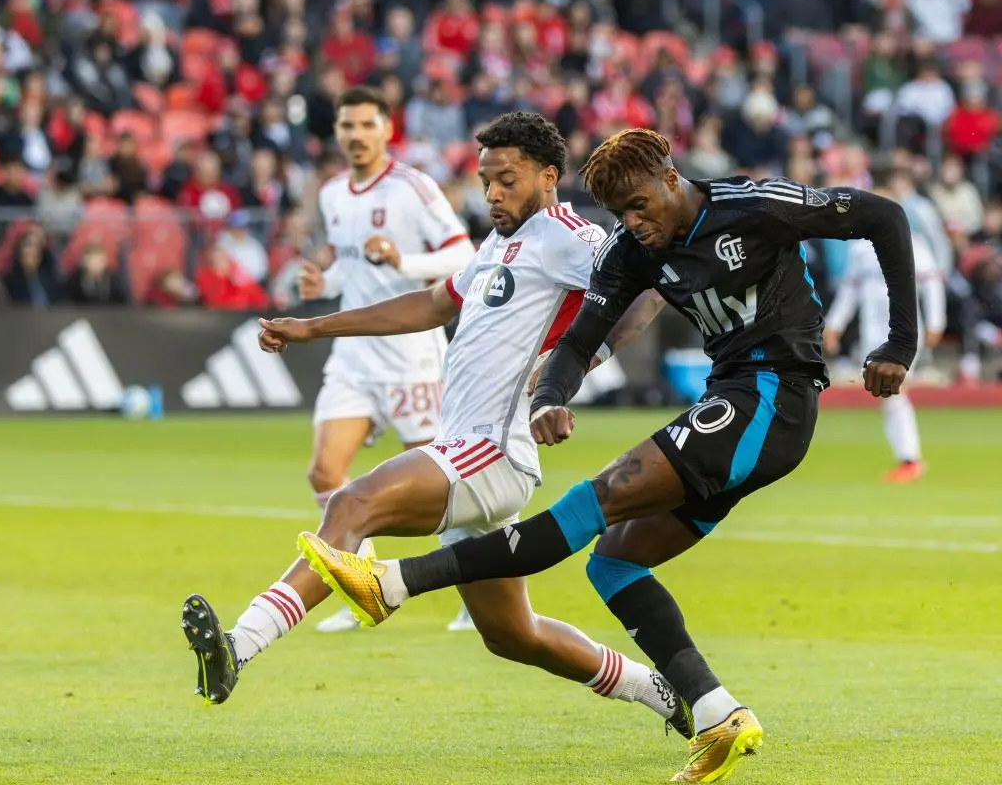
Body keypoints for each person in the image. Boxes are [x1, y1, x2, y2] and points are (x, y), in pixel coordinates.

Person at [299, 128, 918, 783]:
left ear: (670, 179)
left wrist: (899, 343)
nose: (633, 223)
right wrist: (551, 399)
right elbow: (579, 340)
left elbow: (885, 216)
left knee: (596, 500)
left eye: (639, 205)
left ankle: (394, 583)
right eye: (620, 213)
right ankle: (718, 714)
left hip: (773, 398)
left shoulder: (754, 204)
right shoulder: (630, 252)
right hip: (735, 404)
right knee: (616, 561)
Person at [180, 113, 689, 741]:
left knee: (352, 501)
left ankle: (239, 644)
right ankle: (664, 693)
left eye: (507, 179)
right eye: (485, 181)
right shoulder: (498, 246)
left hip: (491, 451)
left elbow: (646, 290)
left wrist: (576, 369)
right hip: (465, 452)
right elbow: (428, 304)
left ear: (548, 175)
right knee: (512, 635)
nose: (493, 193)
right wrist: (315, 327)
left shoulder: (569, 234)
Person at [291, 86, 481, 634]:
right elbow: (352, 269)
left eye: (366, 125)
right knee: (325, 471)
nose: (355, 135)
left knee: (439, 486)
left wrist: (406, 258)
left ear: (386, 129)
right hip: (353, 358)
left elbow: (462, 252)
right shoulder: (332, 194)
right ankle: (362, 578)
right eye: (346, 126)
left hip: (411, 358)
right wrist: (321, 281)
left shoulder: (412, 187)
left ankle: (479, 587)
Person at [824, 221, 944, 483]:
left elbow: (931, 283)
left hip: (903, 331)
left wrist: (936, 321)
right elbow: (849, 290)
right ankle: (908, 459)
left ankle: (910, 459)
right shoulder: (860, 249)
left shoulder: (912, 242)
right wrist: (834, 325)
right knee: (888, 394)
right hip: (872, 332)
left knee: (894, 392)